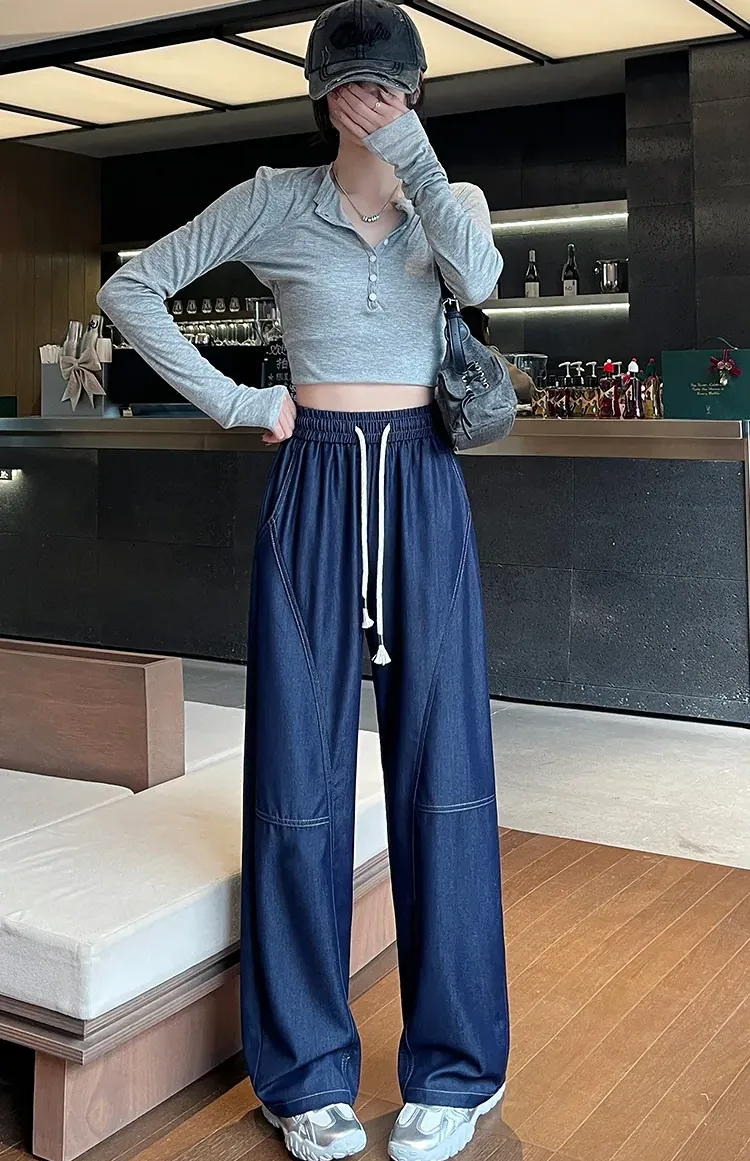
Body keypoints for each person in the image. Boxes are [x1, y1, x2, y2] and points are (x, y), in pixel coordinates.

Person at [97, 3, 510, 1160]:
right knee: (296, 777)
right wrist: (238, 401)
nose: (375, 104)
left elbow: (479, 278)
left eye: (396, 88)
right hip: (315, 479)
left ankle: (459, 1068)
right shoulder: (274, 199)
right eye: (357, 87)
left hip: (423, 481)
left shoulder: (451, 198)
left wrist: (417, 159)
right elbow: (131, 292)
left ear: (417, 95)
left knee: (447, 777)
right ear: (324, 95)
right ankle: (303, 1070)